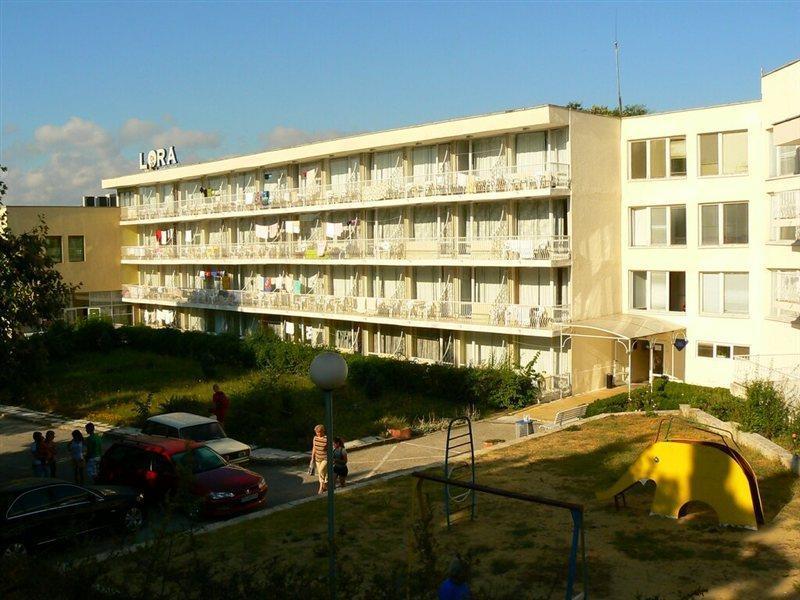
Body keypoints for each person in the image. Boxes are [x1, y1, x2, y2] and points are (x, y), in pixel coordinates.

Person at [311, 424, 328, 494]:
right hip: (317, 458)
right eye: (316, 432)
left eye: (318, 432)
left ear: (322, 431)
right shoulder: (315, 438)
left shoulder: (326, 439)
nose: (317, 433)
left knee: (320, 471)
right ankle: (324, 485)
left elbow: (330, 449)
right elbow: (314, 448)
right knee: (322, 473)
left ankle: (321, 487)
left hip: (325, 458)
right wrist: (312, 458)